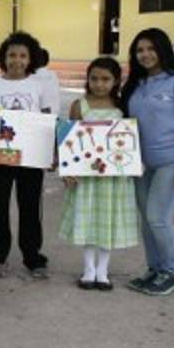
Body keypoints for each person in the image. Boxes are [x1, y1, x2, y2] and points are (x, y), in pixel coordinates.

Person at [121, 28, 174, 297]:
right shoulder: (136, 84)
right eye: (139, 50)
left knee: (158, 217)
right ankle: (155, 270)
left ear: (163, 49)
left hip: (173, 162)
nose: (145, 54)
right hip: (143, 165)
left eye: (150, 48)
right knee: (147, 220)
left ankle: (171, 271)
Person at [59, 58, 139, 291]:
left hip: (113, 179)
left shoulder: (122, 107)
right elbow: (68, 140)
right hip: (85, 177)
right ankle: (88, 270)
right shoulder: (79, 105)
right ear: (88, 79)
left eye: (106, 79)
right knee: (87, 220)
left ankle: (103, 271)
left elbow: (130, 140)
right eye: (94, 78)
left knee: (106, 221)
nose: (99, 84)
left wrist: (133, 163)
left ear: (116, 81)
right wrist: (68, 170)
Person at [0, 31, 54, 279]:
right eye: (12, 55)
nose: (17, 60)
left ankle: (33, 257)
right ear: (4, 57)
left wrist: (50, 152)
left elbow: (46, 119)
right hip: (0, 156)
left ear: (31, 58)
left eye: (23, 55)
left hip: (32, 157)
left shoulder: (39, 85)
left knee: (30, 206)